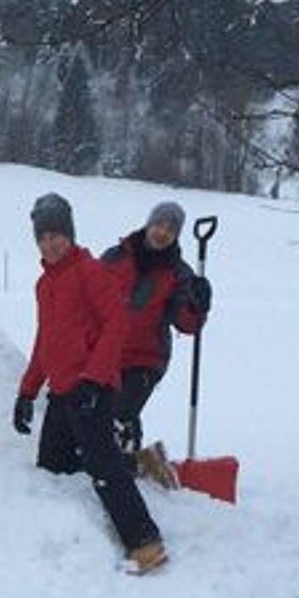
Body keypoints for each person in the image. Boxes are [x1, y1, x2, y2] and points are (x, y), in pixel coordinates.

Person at [12, 193, 168, 575]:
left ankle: (145, 542)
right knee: (53, 465)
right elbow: (45, 341)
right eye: (43, 237)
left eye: (56, 235)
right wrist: (27, 391)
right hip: (63, 392)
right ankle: (137, 464)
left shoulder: (90, 271)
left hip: (92, 389)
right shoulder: (43, 285)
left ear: (70, 234)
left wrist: (94, 380)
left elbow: (117, 325)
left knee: (102, 464)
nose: (50, 243)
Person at [97, 199, 211, 464]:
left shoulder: (180, 274)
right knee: (103, 414)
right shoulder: (115, 257)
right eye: (159, 224)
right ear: (148, 224)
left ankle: (121, 466)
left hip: (147, 357)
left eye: (171, 229)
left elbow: (187, 325)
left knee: (121, 413)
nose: (162, 232)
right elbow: (91, 298)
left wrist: (198, 306)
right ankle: (135, 460)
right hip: (108, 353)